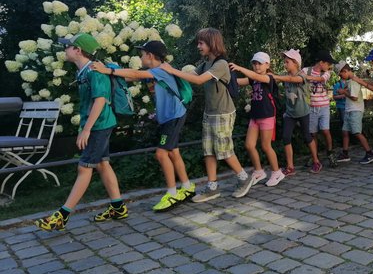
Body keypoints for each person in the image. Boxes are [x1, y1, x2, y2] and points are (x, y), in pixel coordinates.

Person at [35, 33, 127, 231]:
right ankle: (118, 207)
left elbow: (100, 101)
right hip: (97, 125)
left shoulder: (94, 71)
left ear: (78, 50)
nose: (65, 49)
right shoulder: (83, 71)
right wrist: (83, 128)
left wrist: (86, 130)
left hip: (99, 125)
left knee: (84, 168)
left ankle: (62, 216)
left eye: (68, 46)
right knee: (102, 164)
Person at [92, 41, 195, 212]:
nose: (140, 57)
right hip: (172, 116)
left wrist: (107, 70)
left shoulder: (161, 70)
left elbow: (134, 74)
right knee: (173, 152)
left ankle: (171, 193)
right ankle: (187, 186)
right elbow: (131, 76)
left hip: (173, 117)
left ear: (150, 56)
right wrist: (109, 71)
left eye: (142, 54)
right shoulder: (156, 71)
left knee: (161, 154)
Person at [161, 28, 253, 202]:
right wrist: (167, 73)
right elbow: (191, 75)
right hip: (210, 112)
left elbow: (198, 80)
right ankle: (212, 187)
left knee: (224, 151)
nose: (198, 46)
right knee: (208, 150)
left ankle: (244, 178)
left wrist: (172, 70)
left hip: (223, 113)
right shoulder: (206, 63)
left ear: (212, 43)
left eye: (201, 43)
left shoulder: (221, 64)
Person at [229, 52, 285, 187]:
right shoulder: (252, 78)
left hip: (267, 115)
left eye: (259, 63)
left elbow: (254, 76)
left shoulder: (269, 77)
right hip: (255, 116)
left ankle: (277, 172)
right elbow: (237, 82)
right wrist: (221, 77)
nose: (256, 66)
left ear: (267, 65)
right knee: (249, 145)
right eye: (254, 63)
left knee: (266, 146)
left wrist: (240, 68)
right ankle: (259, 171)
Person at [273, 49, 322, 175]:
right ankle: (290, 167)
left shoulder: (302, 75)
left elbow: (292, 79)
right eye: (284, 62)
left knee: (307, 137)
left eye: (287, 62)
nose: (285, 64)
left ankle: (316, 161)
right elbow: (276, 80)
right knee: (286, 137)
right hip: (290, 113)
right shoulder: (285, 75)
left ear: (295, 63)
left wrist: (277, 77)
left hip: (303, 112)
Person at [334, 62, 373, 164]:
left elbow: (354, 97)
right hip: (349, 110)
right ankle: (345, 153)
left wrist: (343, 92)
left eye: (341, 74)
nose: (341, 76)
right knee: (345, 131)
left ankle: (369, 153)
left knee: (357, 132)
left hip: (355, 110)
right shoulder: (349, 81)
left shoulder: (353, 81)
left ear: (345, 71)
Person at [304, 50, 337, 167]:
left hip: (324, 106)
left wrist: (305, 77)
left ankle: (330, 152)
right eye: (328, 64)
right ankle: (314, 155)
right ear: (322, 63)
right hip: (311, 107)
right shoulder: (306, 70)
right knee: (313, 133)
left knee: (325, 130)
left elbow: (321, 79)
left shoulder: (326, 73)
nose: (329, 66)